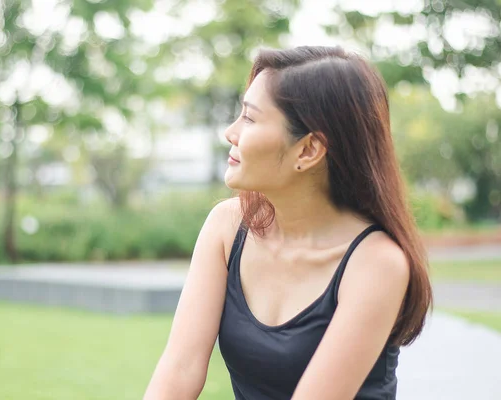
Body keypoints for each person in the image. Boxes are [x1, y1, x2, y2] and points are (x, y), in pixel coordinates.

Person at [143, 45, 433, 400]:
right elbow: (180, 369)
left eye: (249, 118)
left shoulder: (376, 263)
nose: (230, 132)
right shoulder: (227, 227)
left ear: (308, 150)